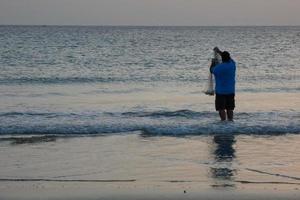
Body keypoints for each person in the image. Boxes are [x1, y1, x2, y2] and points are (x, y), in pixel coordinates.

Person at [210, 47, 236, 121]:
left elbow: (211, 70)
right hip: (231, 91)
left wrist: (212, 63)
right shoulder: (233, 65)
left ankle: (223, 124)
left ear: (222, 59)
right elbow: (229, 58)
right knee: (230, 108)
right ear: (228, 58)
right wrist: (219, 51)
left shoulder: (218, 68)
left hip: (220, 91)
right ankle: (230, 123)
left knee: (221, 108)